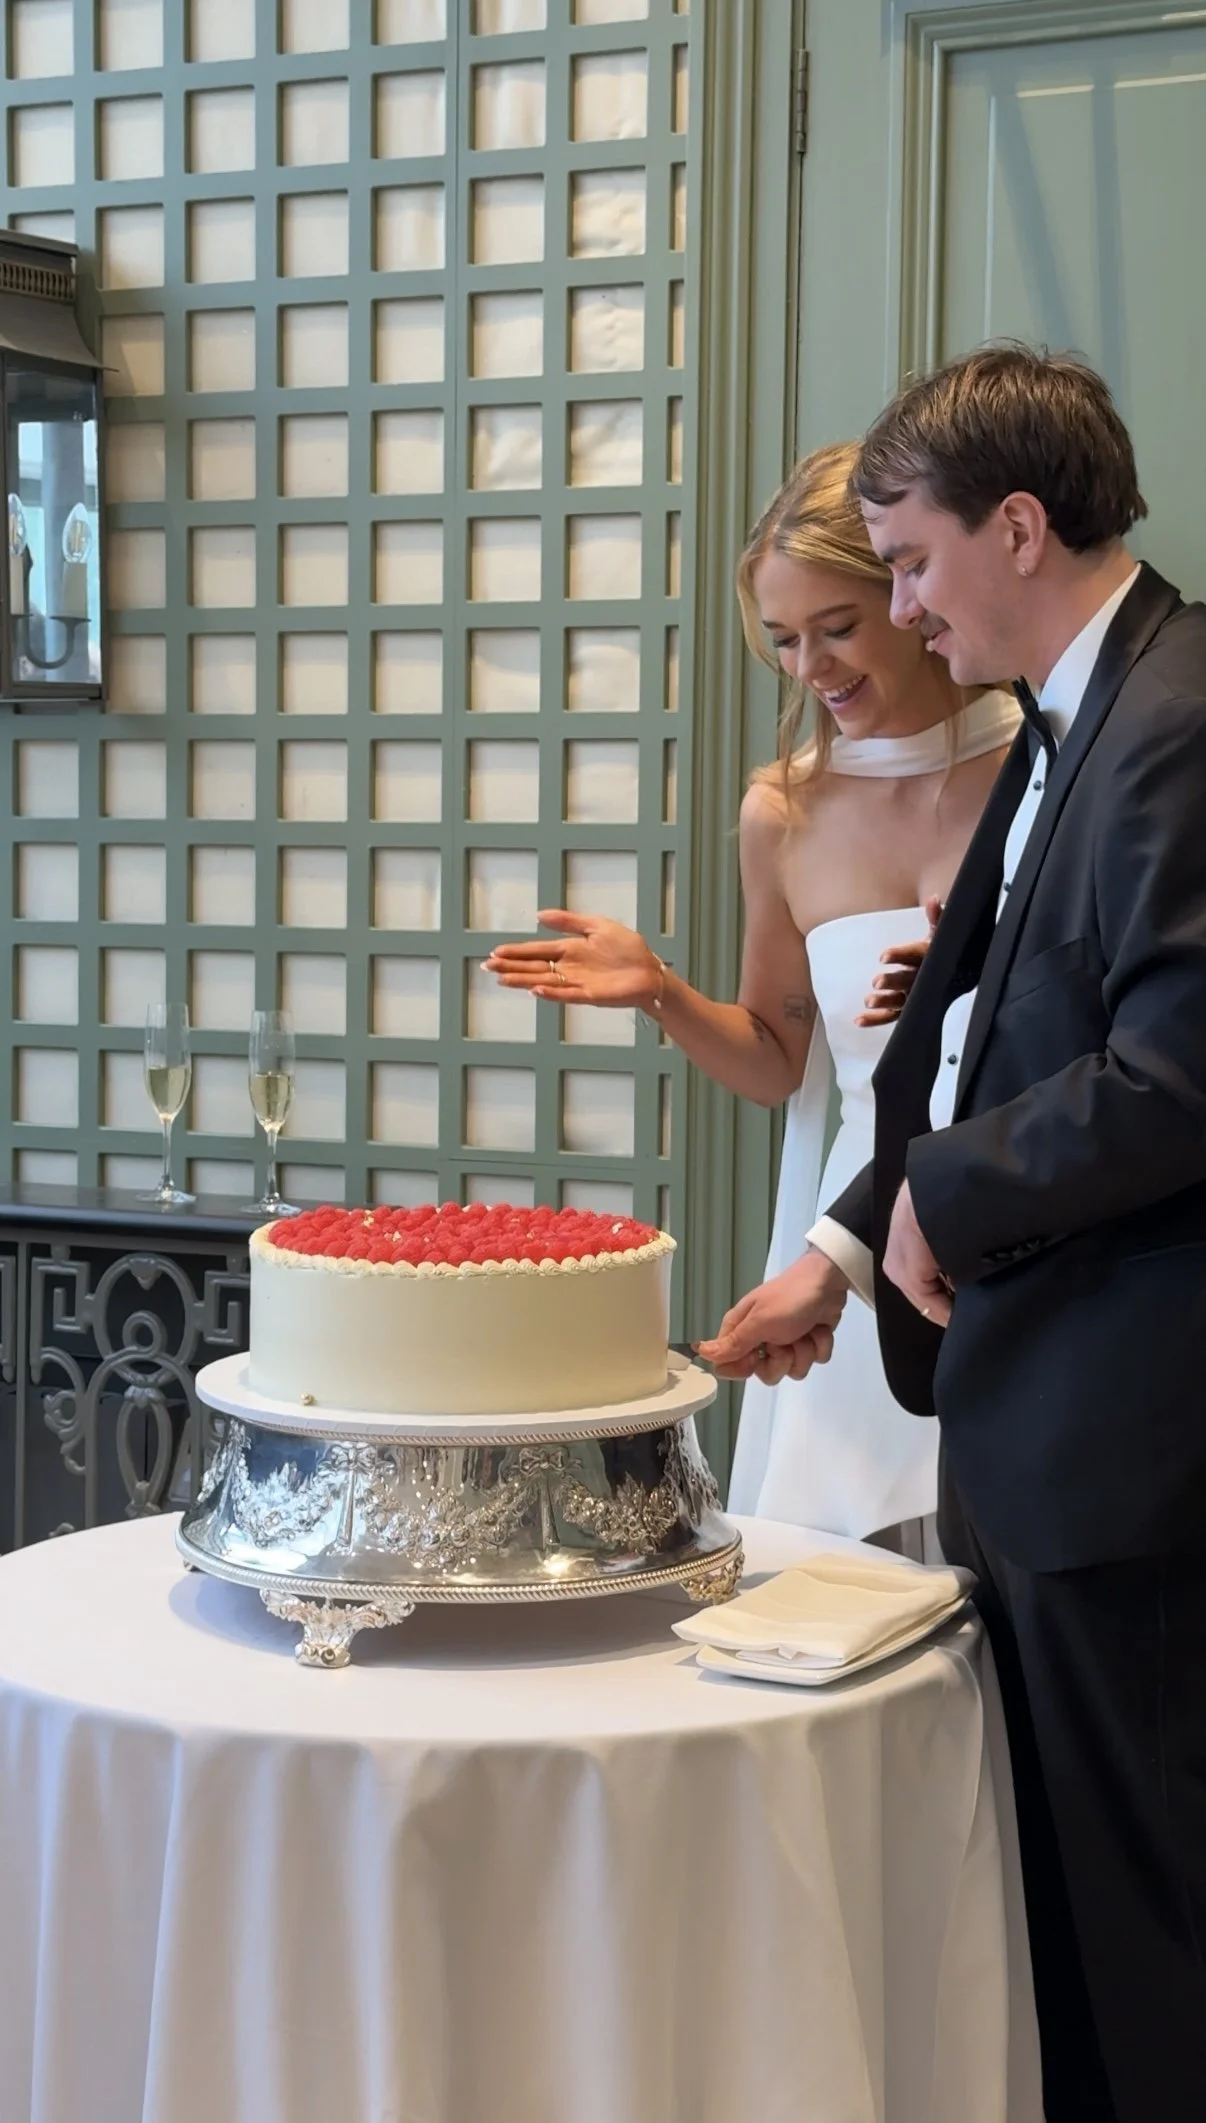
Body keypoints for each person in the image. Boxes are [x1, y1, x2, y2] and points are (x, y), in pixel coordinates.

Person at [700, 344, 1206, 2122]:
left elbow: (1178, 1072)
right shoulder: (1085, 708)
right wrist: (849, 1243)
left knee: (1143, 1923)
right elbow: (951, 1052)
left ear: (1012, 526)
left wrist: (941, 1195)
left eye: (904, 564)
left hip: (1128, 1430)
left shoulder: (1179, 710)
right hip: (1018, 1393)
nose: (895, 605)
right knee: (1046, 1905)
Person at [485, 441, 1019, 1544]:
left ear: (909, 592)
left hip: (1015, 1232)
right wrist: (661, 992)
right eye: (781, 638)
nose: (810, 666)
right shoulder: (784, 810)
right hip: (849, 1254)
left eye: (836, 625)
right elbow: (781, 1060)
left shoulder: (1043, 763)